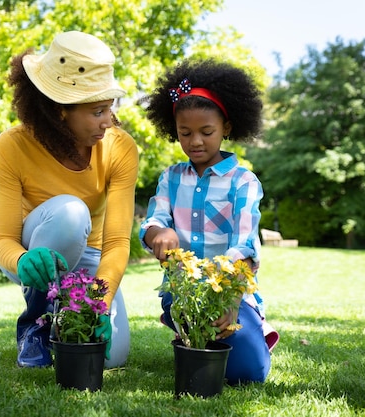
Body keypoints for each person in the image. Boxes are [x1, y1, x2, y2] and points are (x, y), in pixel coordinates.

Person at [0, 31, 139, 369]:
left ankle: (62, 319)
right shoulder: (12, 146)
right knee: (72, 212)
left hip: (90, 253)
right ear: (60, 111)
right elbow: (3, 240)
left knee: (110, 356)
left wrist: (101, 301)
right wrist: (22, 263)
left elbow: (116, 242)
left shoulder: (120, 148)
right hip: (36, 248)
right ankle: (36, 324)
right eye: (97, 111)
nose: (109, 121)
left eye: (109, 108)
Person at [140, 59, 279, 384]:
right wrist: (158, 233)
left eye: (206, 132)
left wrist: (229, 300)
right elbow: (151, 223)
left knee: (248, 374)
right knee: (207, 356)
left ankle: (249, 335)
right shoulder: (171, 178)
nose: (195, 141)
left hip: (228, 290)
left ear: (227, 128)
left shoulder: (243, 182)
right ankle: (190, 332)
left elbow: (245, 244)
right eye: (184, 133)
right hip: (184, 290)